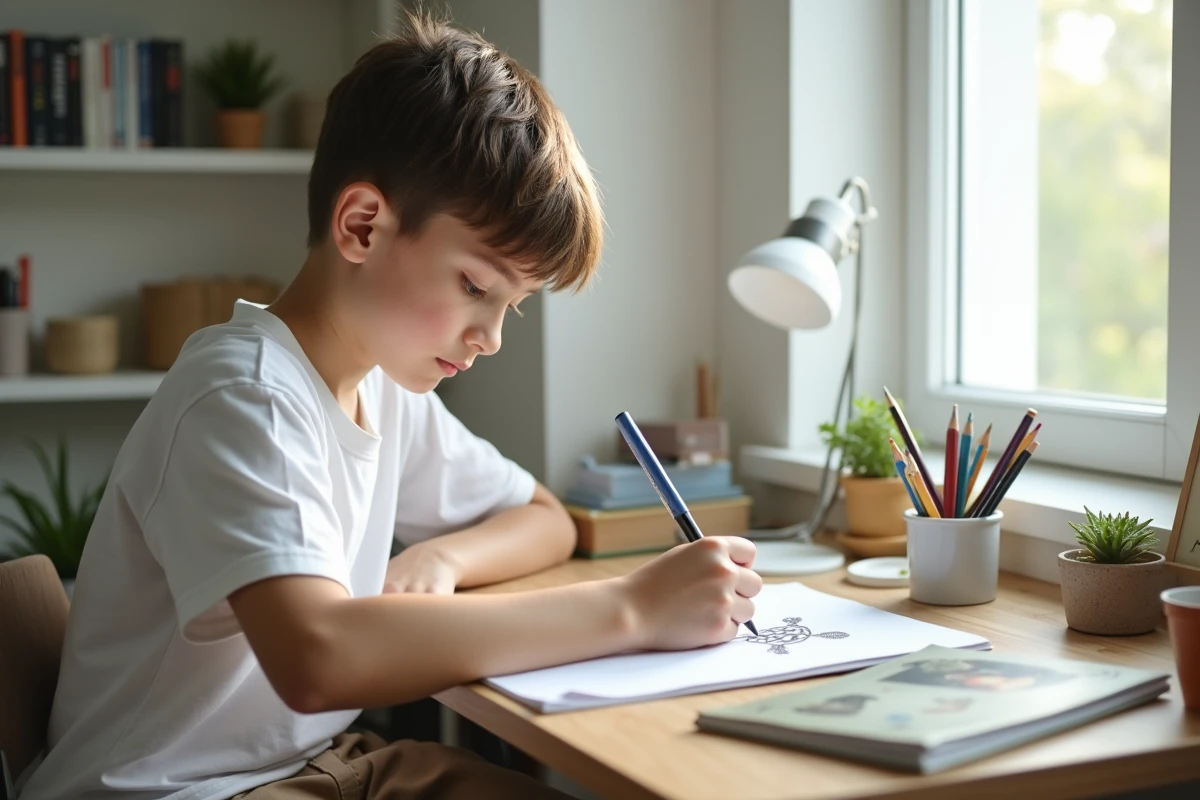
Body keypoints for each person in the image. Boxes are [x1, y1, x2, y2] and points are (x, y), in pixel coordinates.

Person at [15, 10, 760, 800]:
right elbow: (319, 657)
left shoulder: (379, 383)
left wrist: (442, 556)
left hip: (317, 766)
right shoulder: (245, 396)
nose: (492, 337)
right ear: (363, 226)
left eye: (513, 305)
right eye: (476, 287)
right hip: (182, 790)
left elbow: (541, 516)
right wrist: (631, 608)